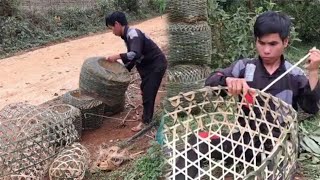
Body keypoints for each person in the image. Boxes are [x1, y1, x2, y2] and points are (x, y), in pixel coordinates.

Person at [175, 11, 320, 179]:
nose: (266, 50)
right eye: (261, 43)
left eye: (273, 44)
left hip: (279, 145)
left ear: (285, 42)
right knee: (196, 142)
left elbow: (311, 108)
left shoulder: (294, 74)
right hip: (245, 140)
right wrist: (228, 80)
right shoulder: (244, 67)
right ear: (256, 41)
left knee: (274, 172)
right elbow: (211, 80)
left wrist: (314, 71)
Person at [105, 11, 167, 132]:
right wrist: (123, 71)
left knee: (148, 93)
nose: (112, 32)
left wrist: (117, 56)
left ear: (117, 24)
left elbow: (135, 54)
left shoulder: (133, 34)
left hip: (155, 65)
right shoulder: (129, 35)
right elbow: (133, 58)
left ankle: (146, 122)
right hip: (149, 67)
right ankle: (146, 117)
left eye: (111, 28)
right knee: (145, 89)